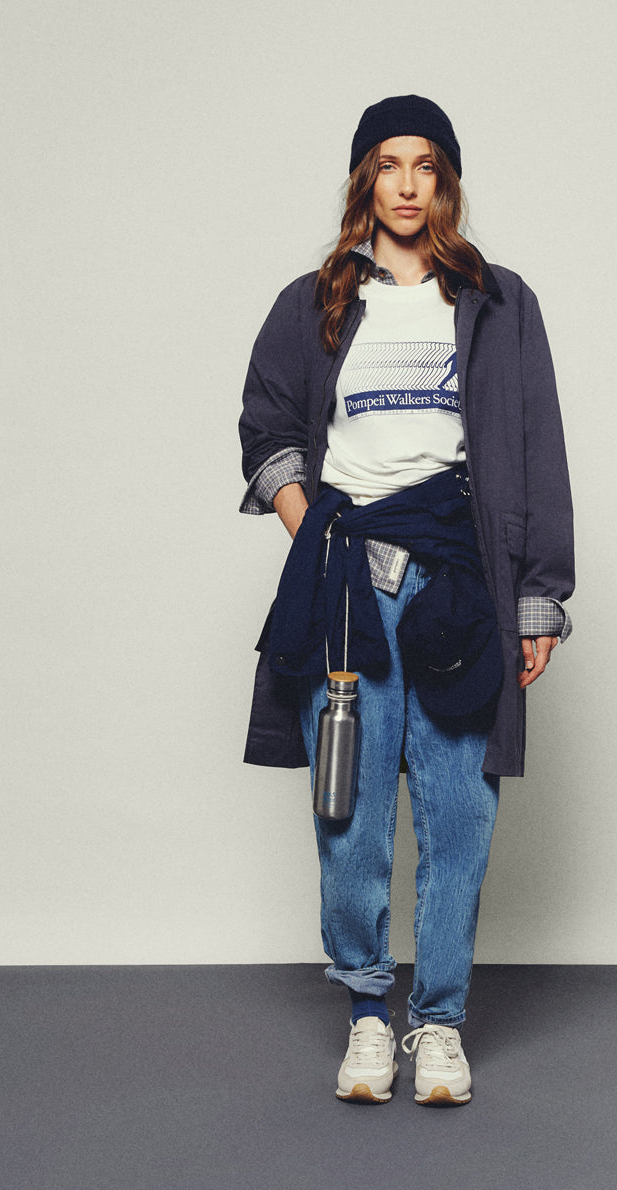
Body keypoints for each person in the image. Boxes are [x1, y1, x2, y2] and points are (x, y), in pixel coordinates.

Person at [238, 95, 574, 1105]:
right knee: (347, 807)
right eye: (388, 163)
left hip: (461, 580)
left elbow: (538, 453)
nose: (407, 183)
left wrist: (538, 599)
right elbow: (267, 433)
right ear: (364, 180)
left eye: (425, 164)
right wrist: (318, 536)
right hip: (349, 586)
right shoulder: (314, 302)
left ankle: (439, 1023)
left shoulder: (498, 302)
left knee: (460, 811)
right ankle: (365, 1016)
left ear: (446, 182)